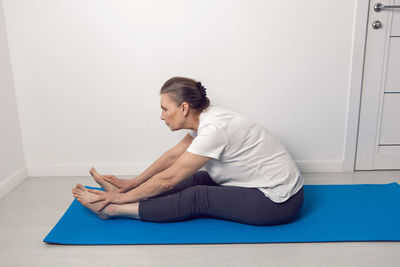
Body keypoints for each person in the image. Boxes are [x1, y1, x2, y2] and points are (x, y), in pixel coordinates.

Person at [72, 76, 304, 226]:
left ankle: (112, 209)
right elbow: (174, 156)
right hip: (254, 184)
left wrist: (119, 198)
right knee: (199, 177)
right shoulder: (204, 118)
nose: (161, 116)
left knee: (198, 196)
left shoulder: (214, 129)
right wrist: (131, 184)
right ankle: (121, 198)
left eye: (165, 109)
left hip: (278, 201)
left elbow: (169, 180)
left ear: (184, 108)